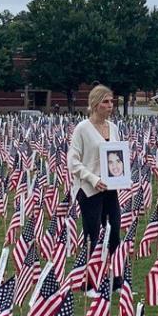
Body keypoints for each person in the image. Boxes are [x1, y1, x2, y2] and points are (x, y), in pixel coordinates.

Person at [66, 84, 124, 297]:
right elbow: (73, 162)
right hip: (89, 190)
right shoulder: (82, 128)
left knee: (115, 233)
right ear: (95, 104)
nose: (110, 105)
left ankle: (116, 281)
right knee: (93, 235)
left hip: (111, 189)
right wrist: (92, 178)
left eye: (112, 101)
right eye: (106, 101)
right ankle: (89, 283)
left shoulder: (114, 127)